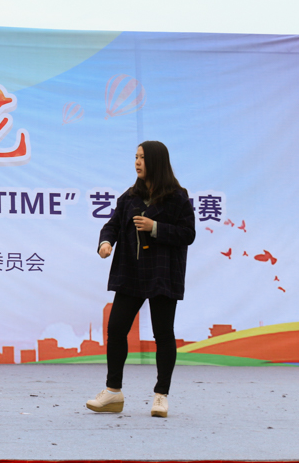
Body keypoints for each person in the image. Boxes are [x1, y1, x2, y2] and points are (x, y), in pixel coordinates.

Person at [87, 141, 196, 418]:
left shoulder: (177, 197)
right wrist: (106, 242)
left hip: (162, 272)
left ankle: (161, 395)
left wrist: (155, 227)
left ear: (156, 162)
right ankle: (113, 392)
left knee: (163, 333)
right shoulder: (129, 197)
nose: (137, 162)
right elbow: (112, 224)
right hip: (130, 271)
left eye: (143, 158)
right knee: (116, 328)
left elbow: (188, 234)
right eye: (135, 157)